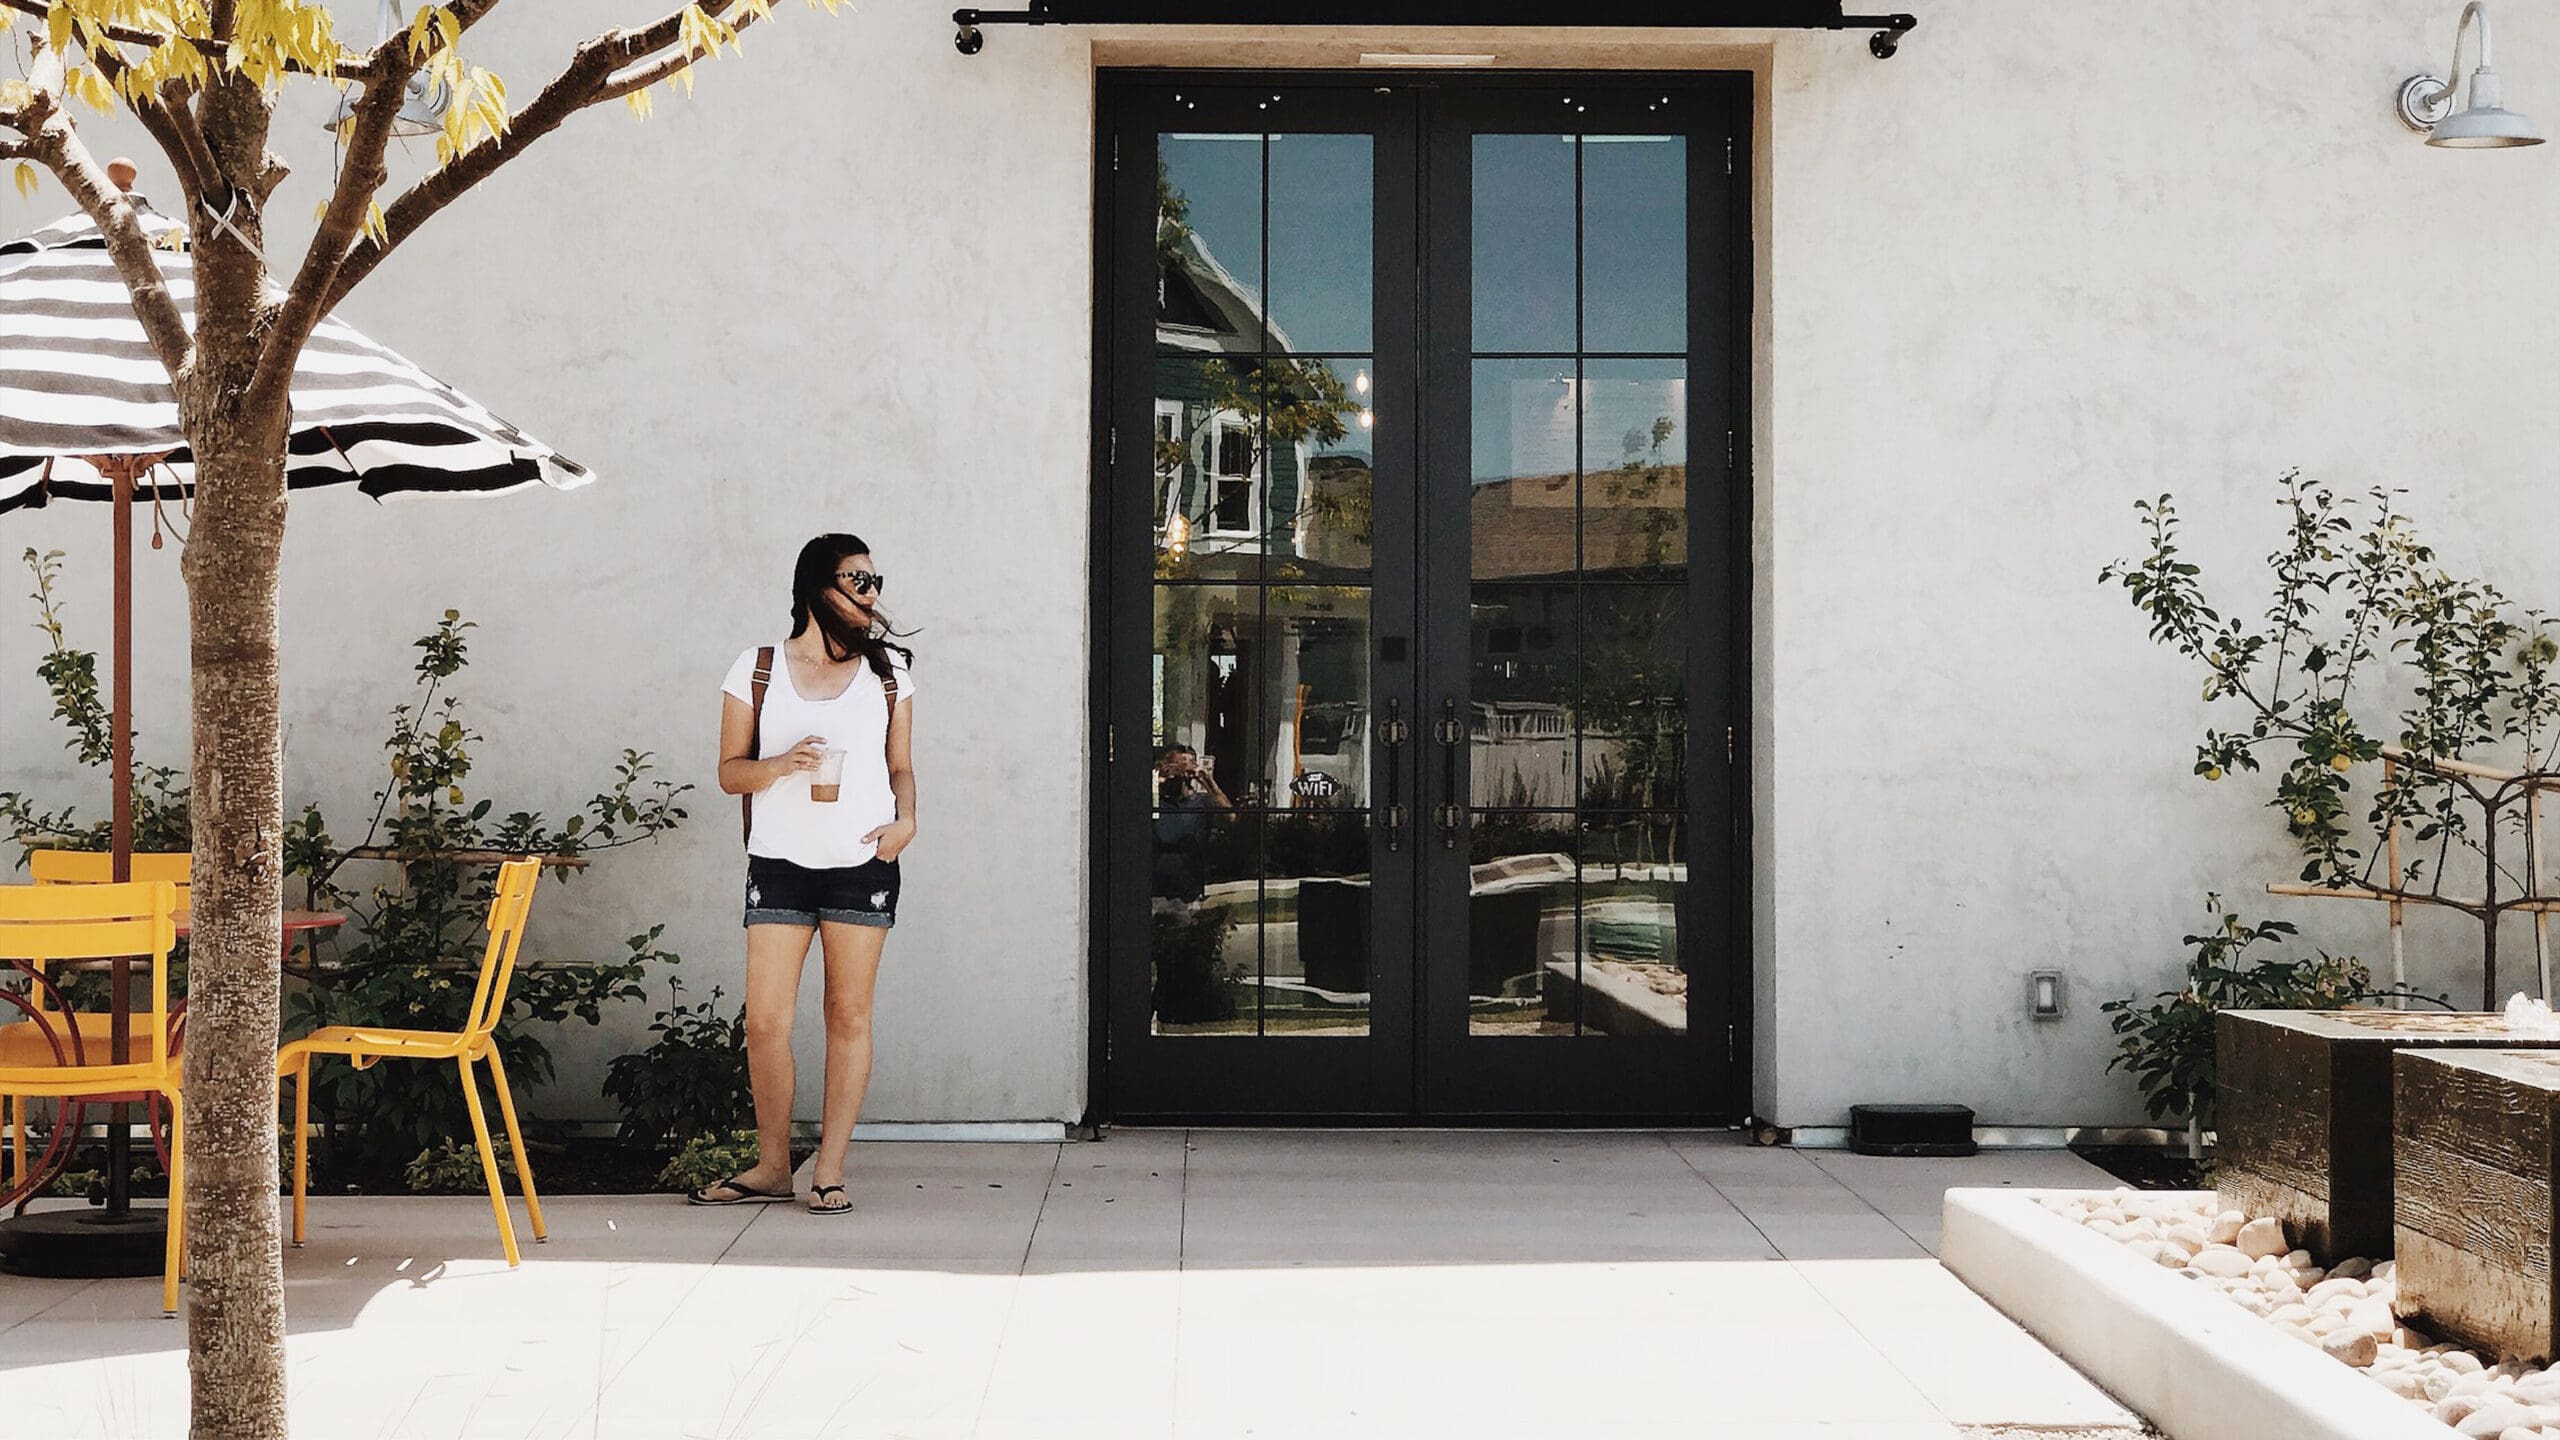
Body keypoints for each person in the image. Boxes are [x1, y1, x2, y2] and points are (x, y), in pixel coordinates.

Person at [693, 534, 917, 1216]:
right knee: (765, 1022)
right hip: (780, 863)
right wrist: (780, 765)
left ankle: (829, 1170)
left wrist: (908, 820)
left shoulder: (889, 673)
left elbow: (901, 766)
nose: (872, 591)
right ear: (820, 586)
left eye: (876, 579)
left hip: (862, 865)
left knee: (847, 1015)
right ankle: (771, 1166)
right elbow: (730, 773)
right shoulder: (757, 668)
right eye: (858, 579)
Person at [1151, 743, 1229, 905]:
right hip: (1154, 893)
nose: (1177, 775)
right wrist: (1156, 781)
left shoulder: (1200, 802)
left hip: (1189, 894)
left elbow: (1230, 818)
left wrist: (1208, 781)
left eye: (1183, 767)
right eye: (1174, 767)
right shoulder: (1155, 800)